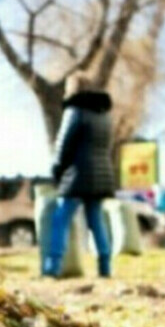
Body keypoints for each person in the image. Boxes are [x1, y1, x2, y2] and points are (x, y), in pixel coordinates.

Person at [43, 72, 114, 278]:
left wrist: (57, 170)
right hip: (101, 175)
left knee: (61, 218)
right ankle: (105, 267)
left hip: (77, 174)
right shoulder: (104, 114)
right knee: (96, 220)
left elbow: (64, 144)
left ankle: (53, 267)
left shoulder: (74, 111)